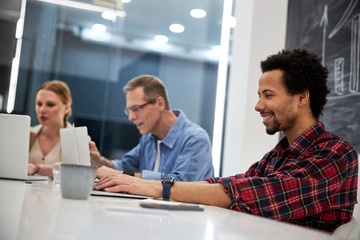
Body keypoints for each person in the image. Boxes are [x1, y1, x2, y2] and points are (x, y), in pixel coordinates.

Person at [94, 49, 358, 233]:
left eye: (268, 95)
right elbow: (225, 184)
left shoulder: (336, 154)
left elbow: (255, 194)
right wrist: (145, 183)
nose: (258, 105)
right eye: (259, 95)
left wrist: (154, 187)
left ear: (301, 97)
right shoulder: (277, 156)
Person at [90, 75, 214, 181]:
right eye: (129, 110)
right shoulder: (148, 139)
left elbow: (178, 184)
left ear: (160, 103)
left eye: (136, 108)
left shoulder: (195, 138)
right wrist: (99, 161)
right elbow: (122, 166)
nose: (131, 117)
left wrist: (124, 176)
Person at [28, 80, 72, 177]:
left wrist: (36, 167)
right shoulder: (27, 135)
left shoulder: (78, 139)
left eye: (50, 104)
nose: (42, 110)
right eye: (39, 104)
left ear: (66, 108)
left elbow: (76, 171)